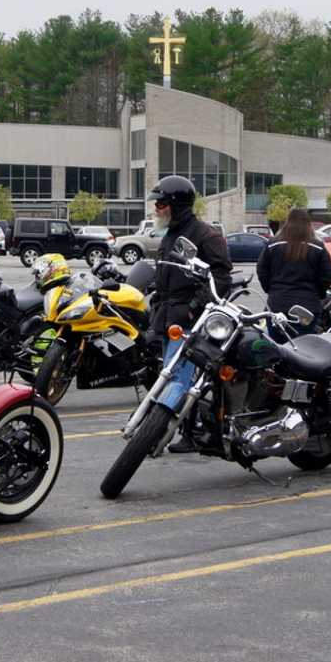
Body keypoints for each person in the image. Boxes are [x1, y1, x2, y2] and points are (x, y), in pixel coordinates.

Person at [148, 175, 232, 454]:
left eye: (161, 203)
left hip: (188, 320)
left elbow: (221, 277)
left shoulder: (206, 235)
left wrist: (196, 307)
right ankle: (187, 430)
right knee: (170, 375)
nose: (156, 208)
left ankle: (171, 432)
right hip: (167, 317)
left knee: (181, 379)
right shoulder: (171, 233)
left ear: (176, 204)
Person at [256, 208, 331, 339]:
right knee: (303, 350)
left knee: (278, 348)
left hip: (277, 303)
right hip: (308, 306)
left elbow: (262, 270)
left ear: (287, 222)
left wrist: (271, 289)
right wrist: (318, 293)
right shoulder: (318, 247)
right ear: (308, 224)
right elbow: (326, 275)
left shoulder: (273, 244)